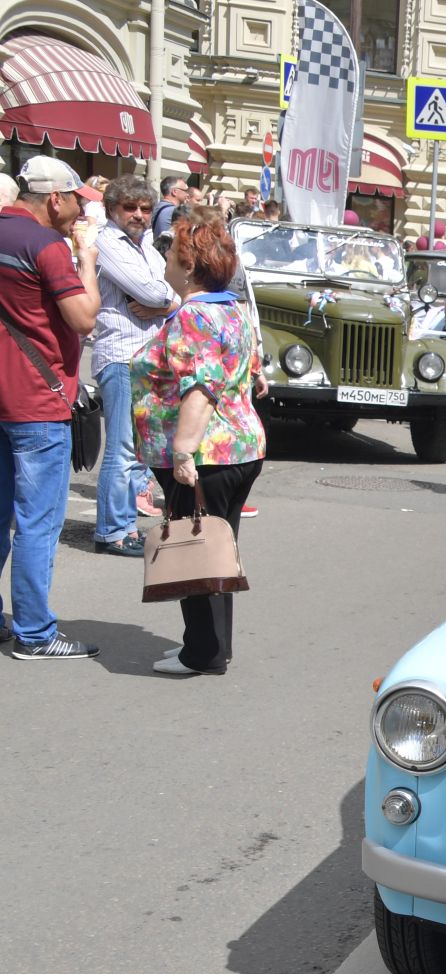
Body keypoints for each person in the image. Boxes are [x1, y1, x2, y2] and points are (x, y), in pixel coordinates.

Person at [130, 206, 267, 676]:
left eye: (169, 252)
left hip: (207, 451)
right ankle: (212, 646)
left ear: (189, 266)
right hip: (238, 447)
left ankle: (202, 653)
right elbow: (246, 373)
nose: (164, 260)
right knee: (215, 548)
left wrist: (183, 451)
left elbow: (201, 388)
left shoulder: (194, 315)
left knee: (195, 549)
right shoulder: (231, 308)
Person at [2, 156, 101, 660]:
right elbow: (84, 318)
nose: (80, 209)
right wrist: (85, 257)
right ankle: (35, 633)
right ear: (54, 199)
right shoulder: (47, 246)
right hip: (38, 400)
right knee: (37, 523)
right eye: (76, 199)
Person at [91, 175, 176, 556]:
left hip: (146, 355)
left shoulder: (146, 248)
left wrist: (164, 304)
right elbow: (155, 290)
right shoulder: (108, 242)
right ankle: (112, 531)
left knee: (137, 450)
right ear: (112, 209)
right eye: (130, 208)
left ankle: (123, 524)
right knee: (123, 449)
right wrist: (164, 299)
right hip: (122, 355)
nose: (139, 215)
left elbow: (174, 290)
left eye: (145, 209)